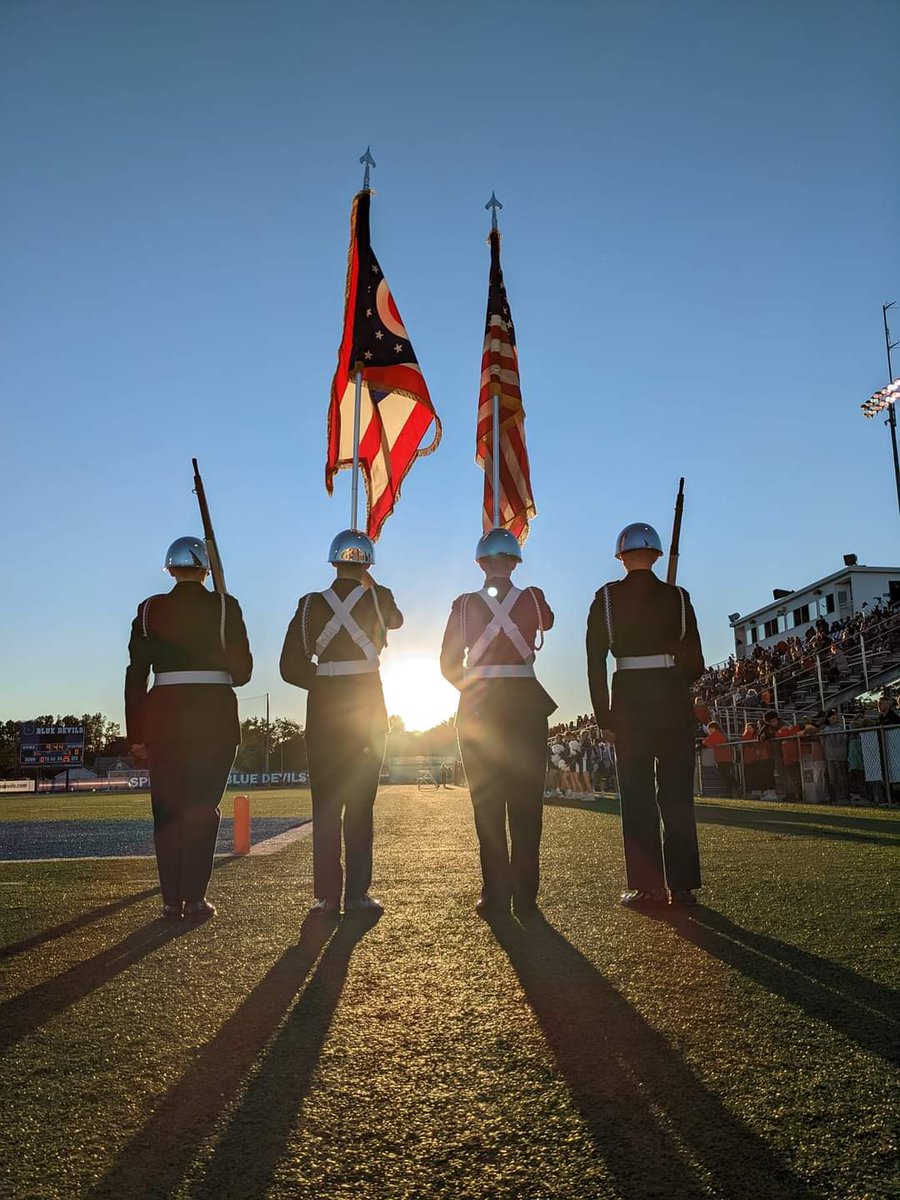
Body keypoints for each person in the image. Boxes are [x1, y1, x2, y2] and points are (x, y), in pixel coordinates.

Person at [125, 536, 253, 921]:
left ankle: (170, 901)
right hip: (214, 718)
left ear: (171, 569)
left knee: (166, 811)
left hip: (164, 720)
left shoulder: (149, 611)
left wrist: (136, 736)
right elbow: (243, 674)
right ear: (205, 570)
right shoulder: (225, 608)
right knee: (201, 808)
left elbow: (136, 677)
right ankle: (195, 899)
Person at [280, 529, 402, 916]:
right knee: (361, 807)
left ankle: (325, 897)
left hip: (325, 710)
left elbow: (289, 666)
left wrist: (325, 680)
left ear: (333, 562)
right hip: (367, 709)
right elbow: (396, 620)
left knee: (327, 807)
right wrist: (371, 583)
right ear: (366, 565)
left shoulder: (310, 604)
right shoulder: (379, 599)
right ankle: (358, 895)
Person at [586, 522, 705, 907]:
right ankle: (683, 885)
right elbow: (696, 664)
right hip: (672, 701)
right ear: (655, 556)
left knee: (637, 797)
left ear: (621, 557)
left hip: (629, 705)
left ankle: (648, 886)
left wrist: (604, 717)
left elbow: (595, 663)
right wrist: (670, 672)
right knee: (677, 797)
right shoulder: (679, 597)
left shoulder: (605, 599)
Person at [440, 528, 555, 917]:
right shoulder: (533, 599)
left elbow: (448, 664)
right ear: (514, 562)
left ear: (480, 564)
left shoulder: (463, 605)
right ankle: (526, 896)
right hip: (525, 705)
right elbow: (549, 622)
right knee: (526, 806)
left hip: (479, 710)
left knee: (487, 807)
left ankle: (495, 894)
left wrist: (472, 691)